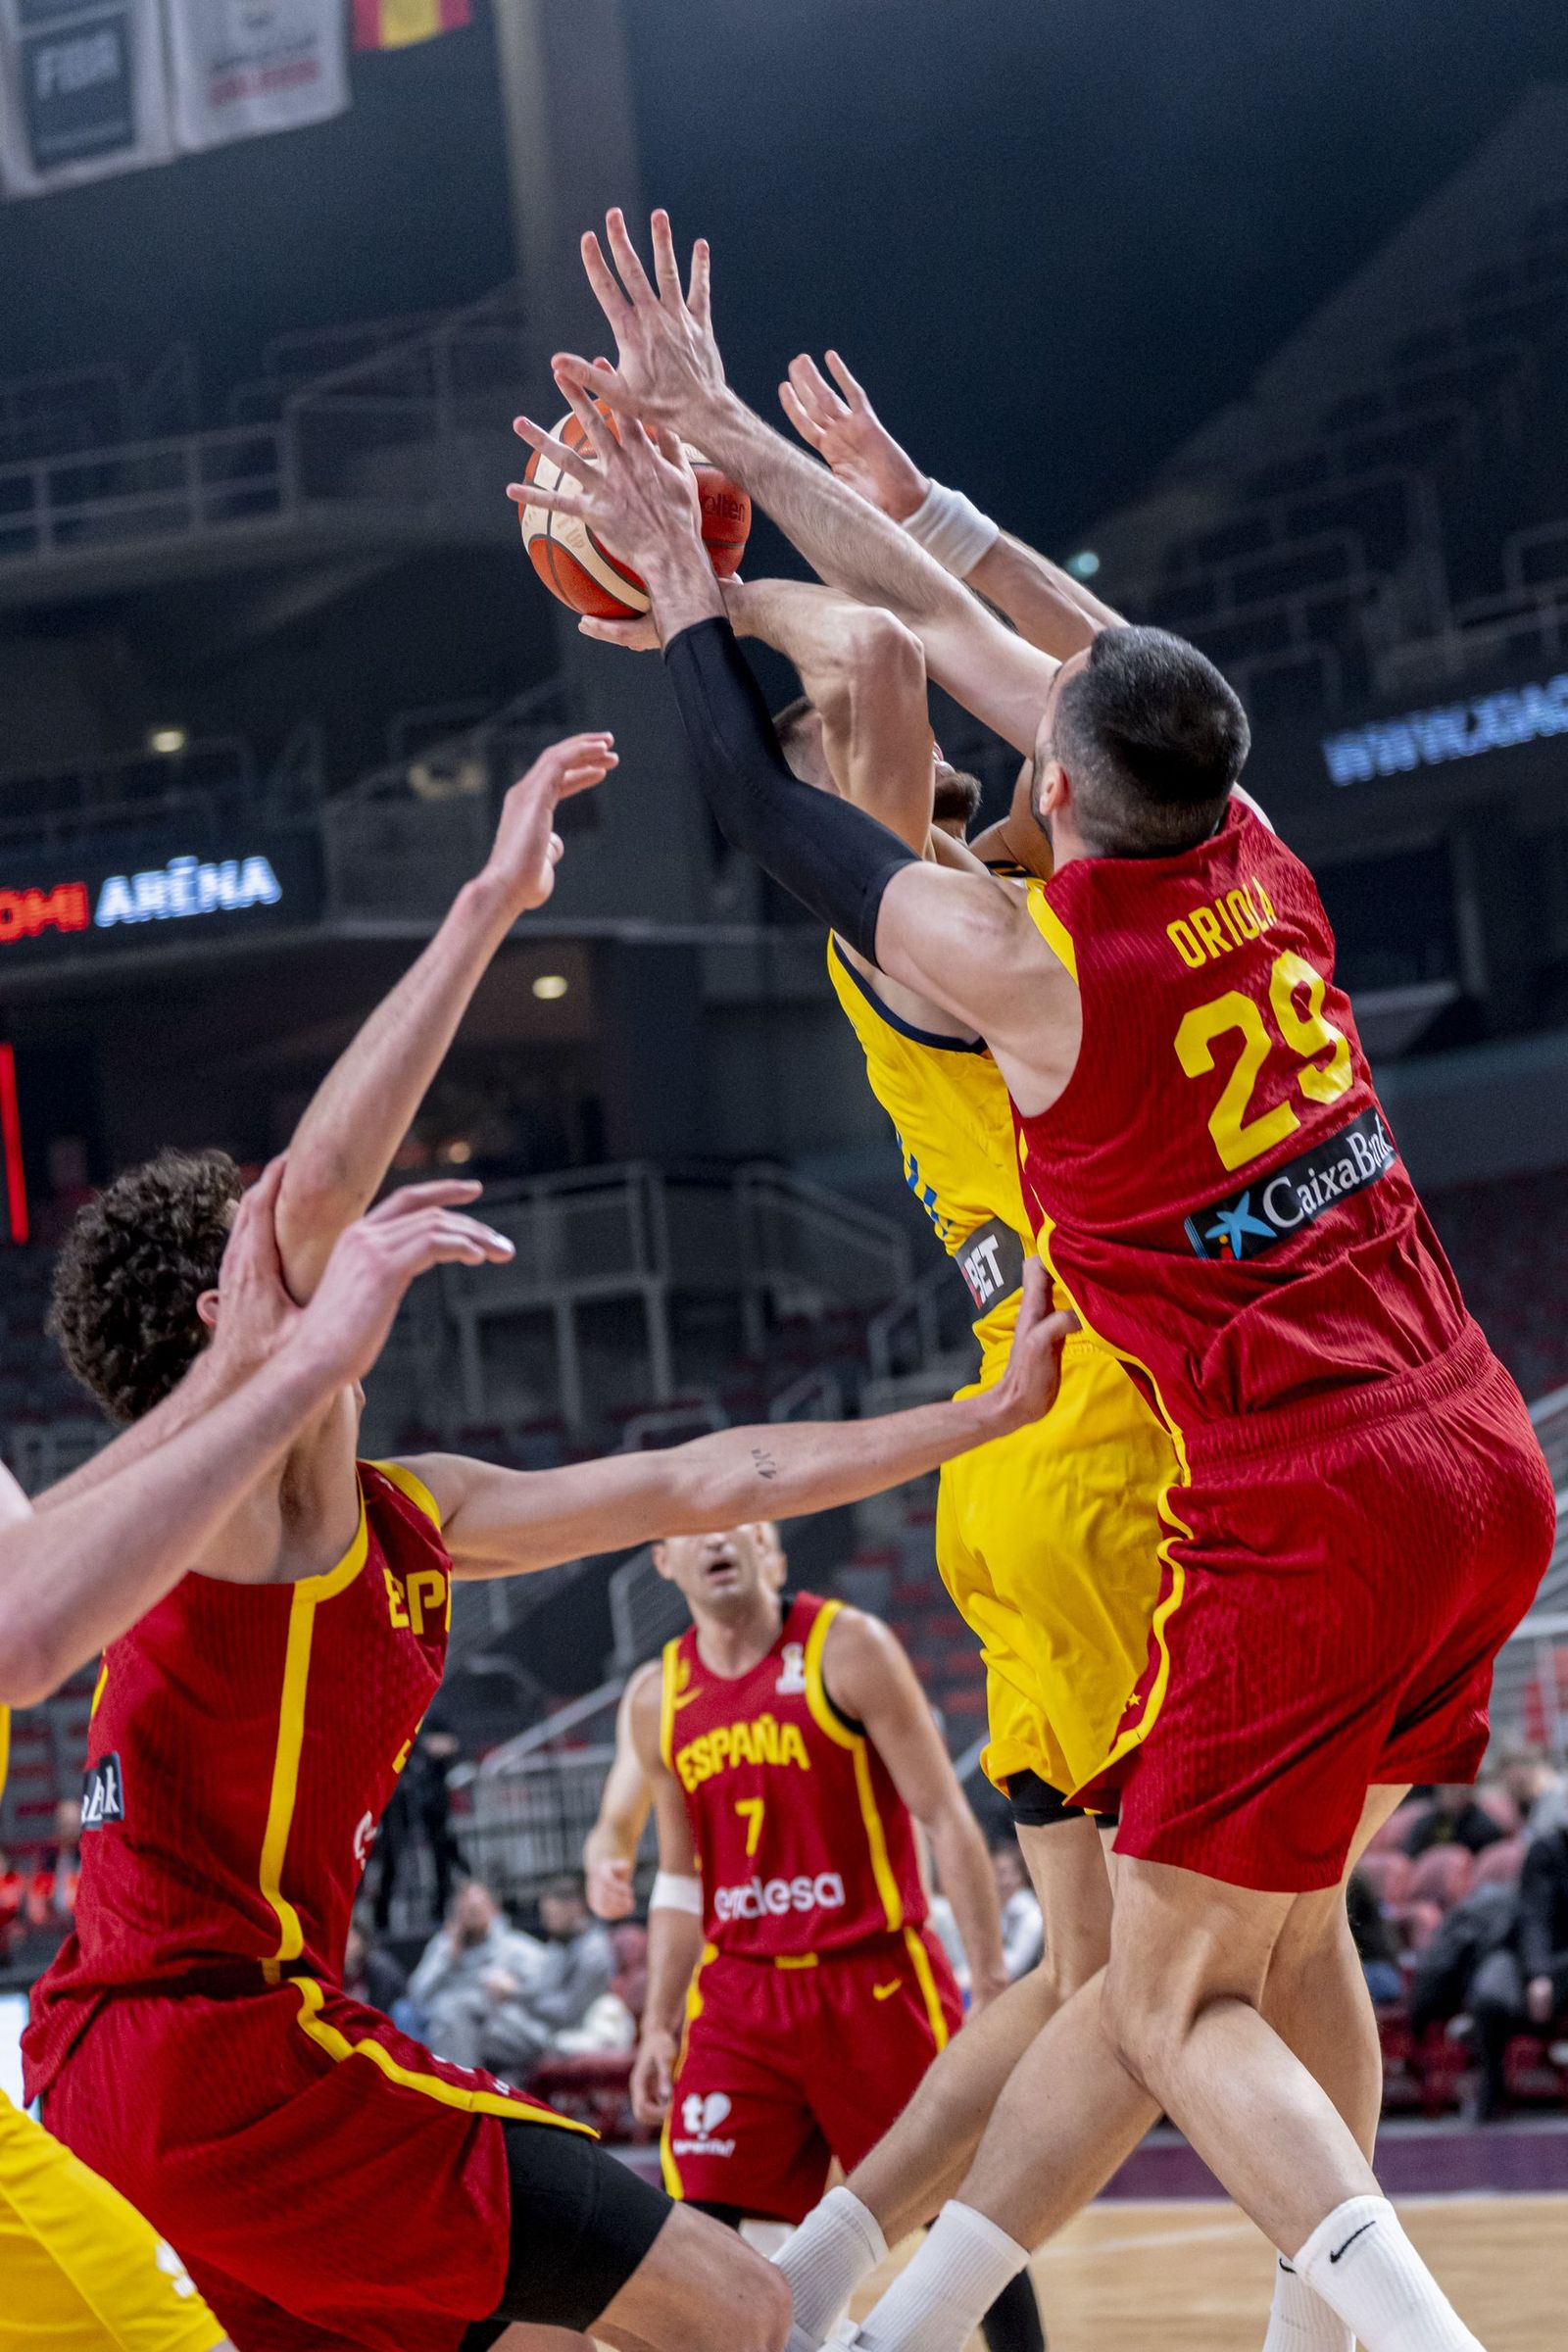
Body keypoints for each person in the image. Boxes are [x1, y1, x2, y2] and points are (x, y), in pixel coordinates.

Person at [511, 209, 1557, 2352]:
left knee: (1174, 1981)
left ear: (1062, 789)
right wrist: (782, 528)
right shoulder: (1197, 855)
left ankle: (897, 2309)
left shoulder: (1017, 934)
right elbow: (962, 656)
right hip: (1360, 1455)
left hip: (1224, 1474)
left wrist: (703, 574)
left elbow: (922, 667)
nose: (1001, 747)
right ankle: (896, 2317)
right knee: (1210, 1970)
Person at [24, 727, 1075, 2352]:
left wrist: (969, 1419)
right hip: (232, 2056)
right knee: (732, 2308)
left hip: (127, 2083)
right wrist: (485, 905)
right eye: (260, 1243)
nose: (298, 1235)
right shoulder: (261, 1498)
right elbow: (311, 1196)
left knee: (560, 2335)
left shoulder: (397, 1509)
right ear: (225, 1309)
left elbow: (700, 1481)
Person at [0, 1158, 516, 2352]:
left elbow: (682, 1481)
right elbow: (315, 1200)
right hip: (179, 2046)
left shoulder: (158, 1515)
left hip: (137, 2048)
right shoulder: (210, 1526)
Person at [616, 1515, 1048, 2352]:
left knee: (954, 2207)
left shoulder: (848, 1647)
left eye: (740, 1525)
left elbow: (946, 1820)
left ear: (774, 1551)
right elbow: (677, 1880)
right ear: (663, 1560)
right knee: (698, 2227)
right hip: (740, 1991)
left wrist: (990, 1981)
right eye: (693, 1529)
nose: (719, 1540)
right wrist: (658, 2022)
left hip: (874, 1978)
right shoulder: (656, 1696)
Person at [1465, 1816, 1568, 2121]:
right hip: (1532, 1956)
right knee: (1489, 1994)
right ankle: (1492, 2087)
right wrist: (1540, 1976)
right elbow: (1533, 1917)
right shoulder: (1548, 1850)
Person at [407, 1880, 545, 2064]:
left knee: (457, 2014)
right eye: (464, 1911)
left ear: (494, 1909)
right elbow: (415, 1993)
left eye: (476, 1909)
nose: (470, 1916)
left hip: (505, 2028)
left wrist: (513, 1990)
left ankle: (460, 2086)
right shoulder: (444, 1947)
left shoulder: (515, 1947)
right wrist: (447, 1959)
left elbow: (547, 1991)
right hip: (449, 2029)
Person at [372, 1719, 466, 1934]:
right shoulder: (394, 1715)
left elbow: (452, 1744)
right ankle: (382, 1919)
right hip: (398, 1805)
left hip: (433, 1803)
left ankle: (439, 1913)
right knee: (391, 1860)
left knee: (443, 1859)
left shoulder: (433, 1716)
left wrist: (436, 1747)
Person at [1403, 1786, 1507, 1860]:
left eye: (1454, 1788)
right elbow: (1409, 1859)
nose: (1448, 1792)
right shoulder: (1425, 1823)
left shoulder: (1486, 1830)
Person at [992, 1842, 1044, 1984]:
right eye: (993, 1874)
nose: (998, 1881)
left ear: (1019, 1875)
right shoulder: (1002, 1911)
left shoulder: (1032, 1914)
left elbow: (1013, 1967)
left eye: (1002, 1873)